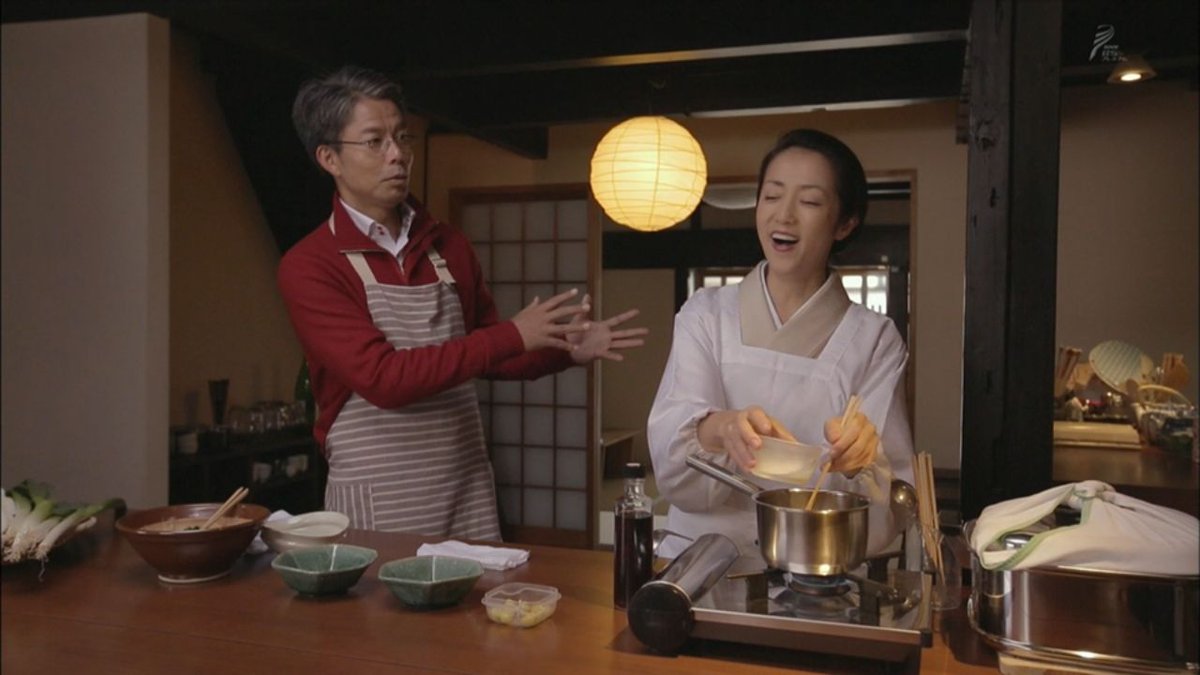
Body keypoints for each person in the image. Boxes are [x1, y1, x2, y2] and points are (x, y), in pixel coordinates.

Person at [279, 66, 646, 540]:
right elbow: (383, 379)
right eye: (375, 142)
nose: (397, 154)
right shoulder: (311, 264)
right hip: (379, 491)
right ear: (329, 157)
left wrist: (562, 349)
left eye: (402, 137)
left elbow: (487, 355)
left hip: (463, 483)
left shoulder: (448, 246)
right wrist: (513, 335)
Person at [647, 128, 914, 561]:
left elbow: (891, 497)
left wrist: (863, 459)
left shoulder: (874, 339)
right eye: (772, 196)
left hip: (815, 568)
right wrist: (722, 429)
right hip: (701, 562)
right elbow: (671, 454)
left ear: (845, 223)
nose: (783, 216)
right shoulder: (705, 314)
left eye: (809, 202)